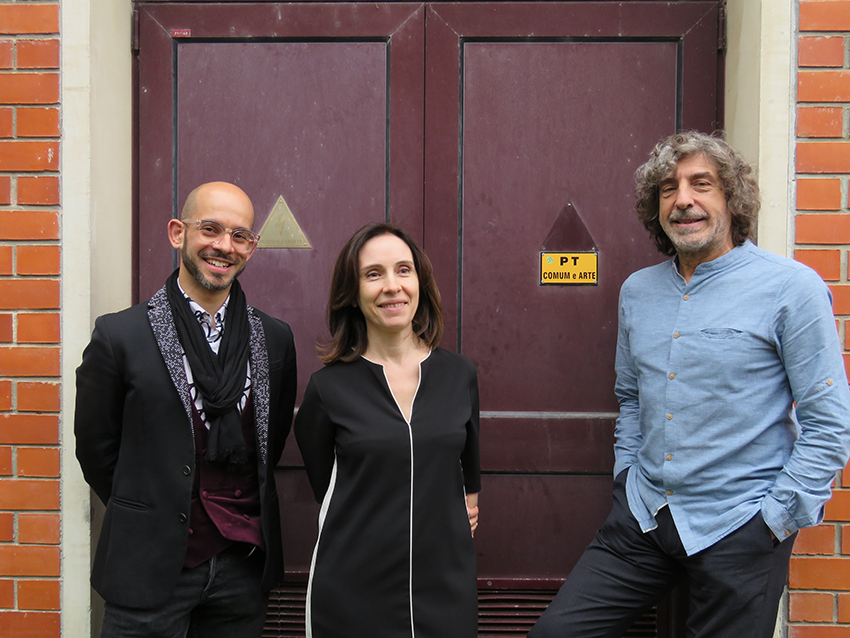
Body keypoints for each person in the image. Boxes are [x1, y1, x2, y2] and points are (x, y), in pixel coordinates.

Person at [530, 131, 850, 638]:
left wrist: (774, 520)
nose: (682, 200)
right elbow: (631, 397)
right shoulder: (638, 292)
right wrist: (626, 474)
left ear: (732, 198)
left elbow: (829, 424)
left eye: (701, 184)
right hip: (645, 516)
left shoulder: (791, 288)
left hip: (742, 524)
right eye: (668, 189)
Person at [74, 182, 297, 638]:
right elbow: (96, 451)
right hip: (148, 565)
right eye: (210, 229)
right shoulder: (120, 336)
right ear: (178, 233)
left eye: (239, 235)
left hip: (242, 567)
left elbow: (267, 445)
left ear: (251, 248)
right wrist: (150, 510)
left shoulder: (274, 338)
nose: (224, 246)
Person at [295, 222, 481, 638]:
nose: (392, 286)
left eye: (403, 270)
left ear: (420, 282)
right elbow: (329, 491)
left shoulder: (459, 375)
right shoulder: (328, 389)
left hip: (445, 593)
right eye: (373, 274)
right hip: (352, 596)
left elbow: (469, 485)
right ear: (353, 293)